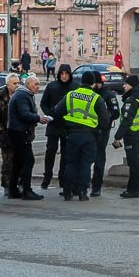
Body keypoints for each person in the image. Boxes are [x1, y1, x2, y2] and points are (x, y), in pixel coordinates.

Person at [52, 71, 111, 201]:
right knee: (85, 164)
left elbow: (56, 112)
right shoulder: (96, 98)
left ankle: (67, 191)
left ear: (81, 81)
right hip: (89, 135)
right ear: (93, 83)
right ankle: (83, 192)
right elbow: (105, 120)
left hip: (72, 134)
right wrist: (98, 129)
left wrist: (66, 123)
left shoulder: (70, 95)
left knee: (71, 163)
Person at [7, 75, 49, 200]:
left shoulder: (24, 95)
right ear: (28, 84)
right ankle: (26, 190)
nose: (38, 87)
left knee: (18, 161)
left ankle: (13, 189)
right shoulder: (22, 96)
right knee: (28, 160)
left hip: (18, 131)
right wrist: (38, 118)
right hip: (19, 132)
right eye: (36, 84)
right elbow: (24, 114)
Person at [113, 75, 139, 199]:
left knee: (133, 164)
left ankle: (134, 190)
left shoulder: (132, 100)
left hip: (132, 135)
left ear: (132, 85)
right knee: (135, 163)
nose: (124, 86)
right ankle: (132, 189)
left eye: (126, 84)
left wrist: (117, 137)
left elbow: (126, 121)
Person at [39, 64, 73, 189]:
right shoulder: (52, 86)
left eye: (66, 74)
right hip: (53, 124)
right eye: (62, 74)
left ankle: (62, 178)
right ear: (59, 75)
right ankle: (47, 177)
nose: (64, 76)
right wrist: (49, 114)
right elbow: (43, 103)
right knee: (50, 151)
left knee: (65, 153)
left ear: (70, 75)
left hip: (67, 125)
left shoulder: (74, 87)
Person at [90, 76, 121, 197]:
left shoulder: (108, 94)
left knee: (99, 157)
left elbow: (115, 112)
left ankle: (96, 186)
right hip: (88, 129)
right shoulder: (90, 93)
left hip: (102, 130)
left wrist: (105, 121)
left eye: (93, 83)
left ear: (99, 83)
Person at [0, 74, 20, 197]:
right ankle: (7, 185)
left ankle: (18, 184)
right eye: (14, 83)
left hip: (19, 133)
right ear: (8, 84)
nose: (17, 85)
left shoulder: (21, 95)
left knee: (20, 160)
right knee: (8, 161)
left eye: (18, 83)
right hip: (5, 134)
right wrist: (1, 131)